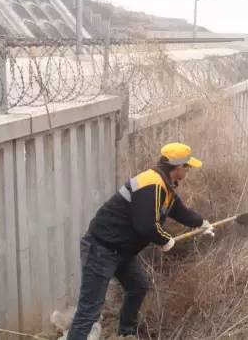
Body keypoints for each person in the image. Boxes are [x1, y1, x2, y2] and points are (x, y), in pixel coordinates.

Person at [67, 143, 213, 339]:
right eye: (187, 166)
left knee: (138, 286)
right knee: (89, 310)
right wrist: (165, 240)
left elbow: (178, 210)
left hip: (121, 251)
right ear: (177, 167)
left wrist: (201, 223)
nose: (189, 170)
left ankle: (126, 334)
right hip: (101, 248)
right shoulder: (151, 185)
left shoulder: (164, 186)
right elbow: (146, 226)